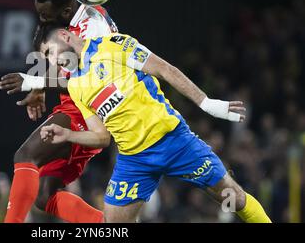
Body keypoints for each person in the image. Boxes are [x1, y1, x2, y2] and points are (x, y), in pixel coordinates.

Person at [35, 24, 272, 223]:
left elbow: (164, 69)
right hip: (133, 160)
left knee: (234, 199)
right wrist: (68, 135)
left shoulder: (112, 45)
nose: (53, 62)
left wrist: (206, 103)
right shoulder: (76, 86)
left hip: (174, 141)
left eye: (49, 53)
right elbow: (101, 137)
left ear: (65, 36)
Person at [0, 0, 117, 223]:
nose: (41, 20)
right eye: (39, 13)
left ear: (65, 11)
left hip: (90, 109)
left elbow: (87, 80)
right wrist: (40, 88)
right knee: (44, 195)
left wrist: (33, 81)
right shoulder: (71, 11)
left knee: (25, 156)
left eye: (46, 15)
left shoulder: (91, 30)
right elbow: (43, 36)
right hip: (76, 104)